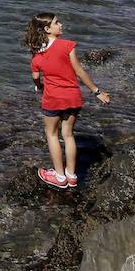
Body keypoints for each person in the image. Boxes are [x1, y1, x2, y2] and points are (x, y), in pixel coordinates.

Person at [25, 12, 110, 189]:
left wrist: (39, 86)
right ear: (47, 29)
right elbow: (79, 72)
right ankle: (72, 175)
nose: (61, 25)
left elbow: (35, 76)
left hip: (52, 100)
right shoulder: (67, 46)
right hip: (72, 97)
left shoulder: (37, 54)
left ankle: (59, 176)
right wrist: (97, 91)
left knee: (51, 134)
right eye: (57, 23)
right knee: (69, 135)